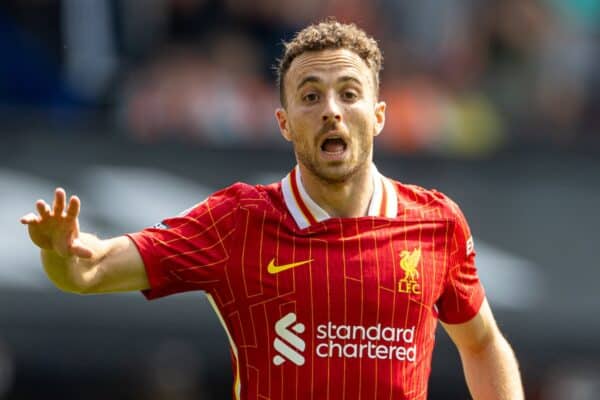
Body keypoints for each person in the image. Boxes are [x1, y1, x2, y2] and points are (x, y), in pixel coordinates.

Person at [20, 19, 524, 400]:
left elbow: (481, 344)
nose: (331, 108)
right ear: (284, 122)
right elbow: (88, 272)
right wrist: (61, 252)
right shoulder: (236, 221)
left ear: (378, 115)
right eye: (311, 95)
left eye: (349, 93)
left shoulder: (435, 222)